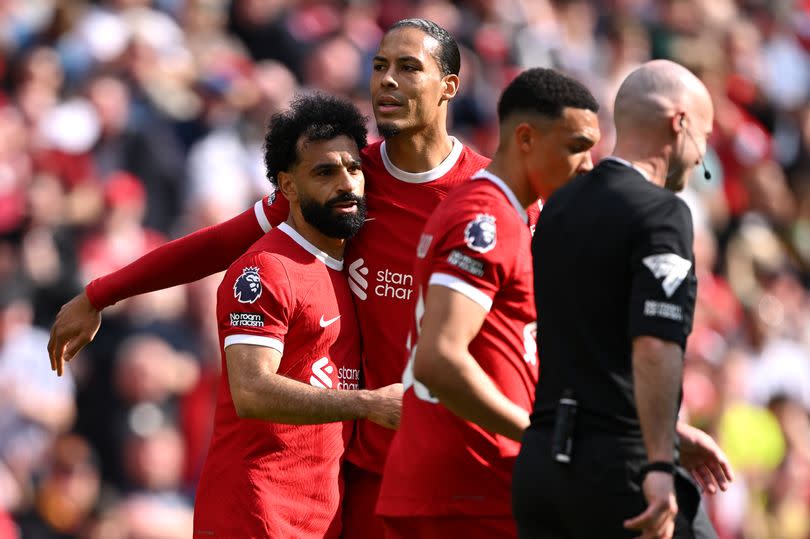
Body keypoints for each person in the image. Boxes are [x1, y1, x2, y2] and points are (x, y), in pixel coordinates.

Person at [48, 18, 489, 538]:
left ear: (450, 87)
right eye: (378, 66)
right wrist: (101, 293)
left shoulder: (492, 201)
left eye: (408, 67)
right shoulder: (340, 178)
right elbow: (215, 244)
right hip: (364, 476)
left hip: (455, 474)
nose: (387, 81)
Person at [512, 59, 734, 539]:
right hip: (618, 468)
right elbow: (655, 345)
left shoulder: (558, 207)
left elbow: (587, 349)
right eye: (704, 136)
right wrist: (658, 460)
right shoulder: (663, 213)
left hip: (542, 466)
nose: (701, 159)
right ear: (679, 123)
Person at [376, 68, 601, 539]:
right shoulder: (486, 219)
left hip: (471, 485)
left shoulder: (503, 215)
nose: (588, 165)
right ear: (525, 138)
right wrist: (543, 435)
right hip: (465, 487)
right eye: (577, 146)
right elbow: (440, 359)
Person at [192, 93, 401, 538]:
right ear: (287, 186)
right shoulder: (264, 269)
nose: (346, 184)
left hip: (319, 517)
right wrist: (369, 404)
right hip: (254, 516)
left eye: (353, 168)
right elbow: (251, 390)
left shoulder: (350, 266)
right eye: (324, 172)